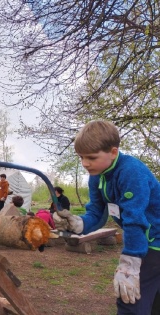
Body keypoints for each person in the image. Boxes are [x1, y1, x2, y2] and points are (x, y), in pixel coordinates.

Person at [53, 120, 160, 314]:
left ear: (113, 152)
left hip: (154, 241)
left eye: (91, 157)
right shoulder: (98, 175)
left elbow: (134, 219)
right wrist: (79, 223)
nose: (85, 163)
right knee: (152, 301)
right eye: (81, 157)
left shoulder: (131, 172)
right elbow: (96, 212)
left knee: (131, 299)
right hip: (148, 240)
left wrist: (130, 265)